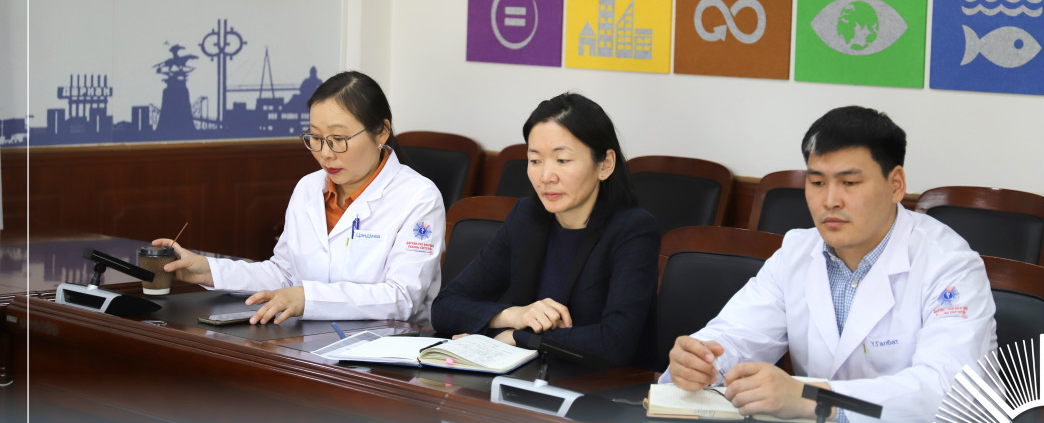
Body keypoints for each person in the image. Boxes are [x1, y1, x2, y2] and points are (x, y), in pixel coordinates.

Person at [662, 106, 996, 422]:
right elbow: (738, 334)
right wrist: (701, 360)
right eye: (818, 182)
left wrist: (816, 398)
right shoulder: (796, 252)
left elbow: (947, 392)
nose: (830, 200)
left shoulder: (949, 264)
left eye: (849, 183)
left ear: (895, 185)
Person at [153, 71, 445, 326]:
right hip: (309, 339)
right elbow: (284, 274)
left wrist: (308, 298)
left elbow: (402, 297)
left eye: (338, 139)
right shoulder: (309, 188)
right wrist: (208, 270)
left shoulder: (418, 197)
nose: (326, 153)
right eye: (316, 138)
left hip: (385, 348)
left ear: (381, 132)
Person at [431, 93, 660, 367]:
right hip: (527, 377)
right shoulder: (526, 217)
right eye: (535, 160)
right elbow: (445, 307)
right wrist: (514, 316)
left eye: (562, 160)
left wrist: (518, 337)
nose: (546, 176)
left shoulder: (633, 230)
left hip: (602, 385)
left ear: (605, 164)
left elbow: (615, 342)